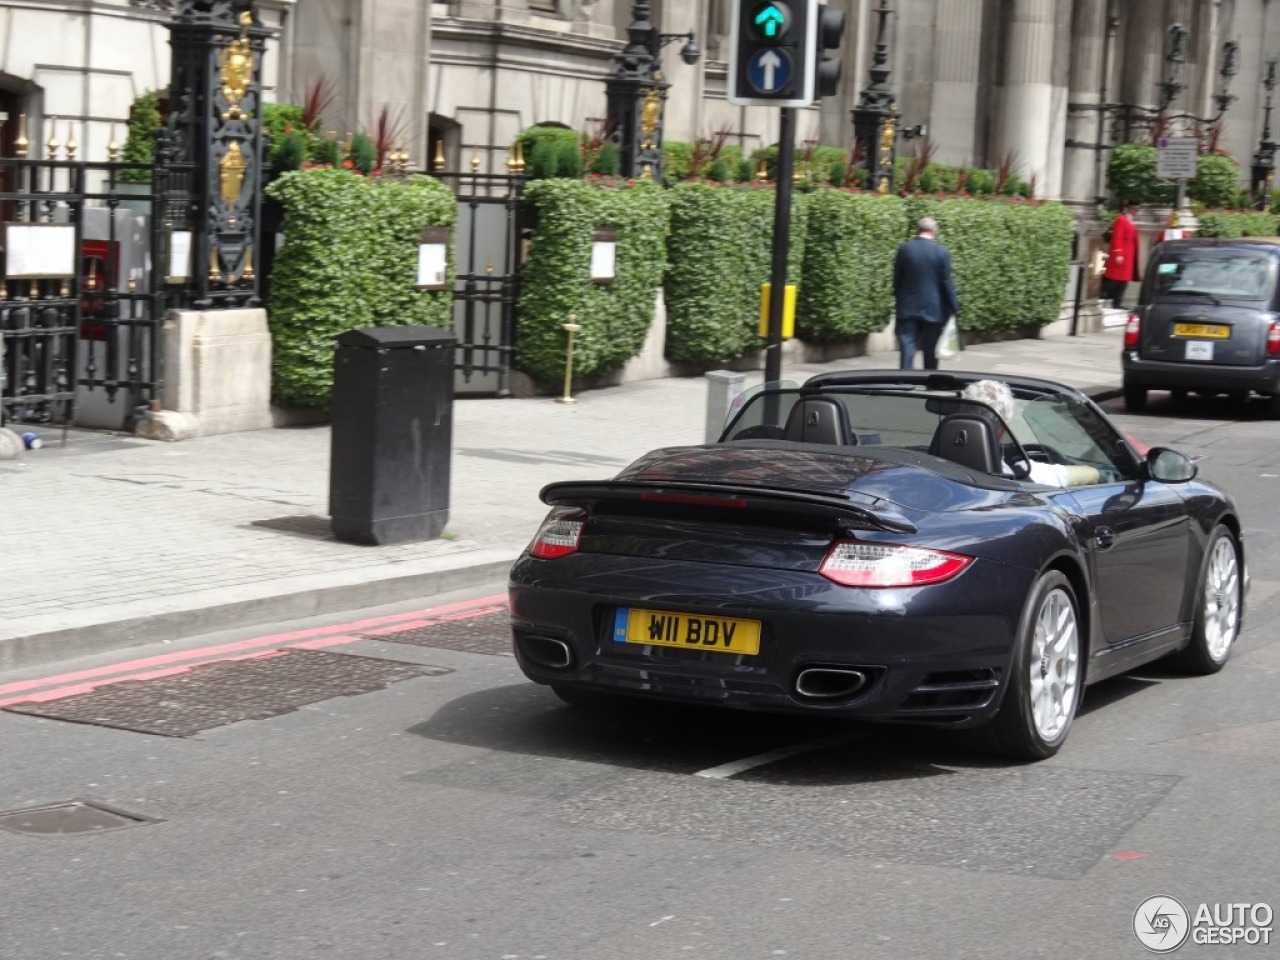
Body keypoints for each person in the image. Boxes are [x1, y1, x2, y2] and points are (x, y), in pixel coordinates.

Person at [959, 380, 1100, 487]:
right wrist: (1101, 472)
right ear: (1003, 430)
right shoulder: (1022, 474)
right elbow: (1092, 474)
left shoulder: (938, 464)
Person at [893, 217, 960, 370]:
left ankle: (904, 380)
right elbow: (946, 282)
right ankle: (929, 381)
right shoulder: (941, 252)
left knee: (907, 348)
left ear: (917, 230)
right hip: (933, 308)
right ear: (934, 231)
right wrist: (953, 307)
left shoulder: (905, 249)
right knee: (930, 350)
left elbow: (897, 278)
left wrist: (899, 298)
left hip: (908, 306)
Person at [1102, 203, 1140, 306]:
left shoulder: (1131, 221)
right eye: (1134, 209)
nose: (1136, 211)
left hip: (1129, 255)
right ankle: (1107, 297)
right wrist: (1118, 253)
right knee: (1115, 279)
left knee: (1124, 281)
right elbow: (1117, 237)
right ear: (1129, 209)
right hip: (1122, 254)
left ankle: (1118, 302)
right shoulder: (1121, 219)